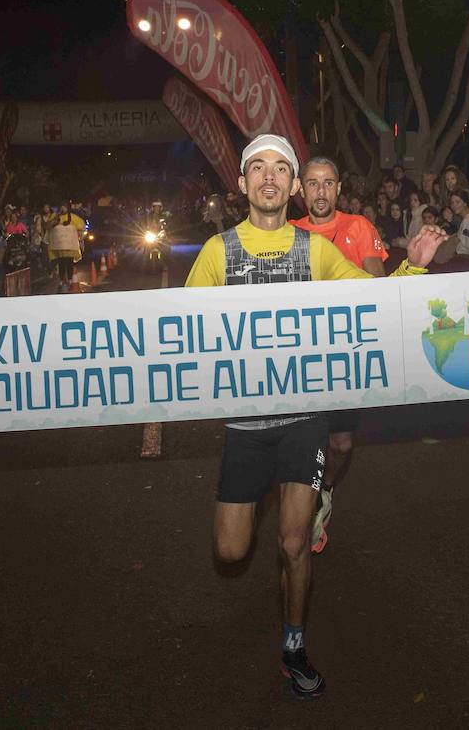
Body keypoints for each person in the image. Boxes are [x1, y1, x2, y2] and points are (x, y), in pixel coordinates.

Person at [188, 133, 445, 700]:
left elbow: (373, 300)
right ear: (243, 184)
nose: (270, 176)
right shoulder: (216, 252)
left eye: (281, 168)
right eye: (259, 168)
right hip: (246, 424)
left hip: (305, 417)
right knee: (231, 551)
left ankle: (294, 645)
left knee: (294, 543)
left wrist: (414, 267)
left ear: (294, 188)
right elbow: (178, 329)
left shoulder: (315, 251)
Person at [289, 156, 389, 555]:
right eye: (313, 183)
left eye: (328, 183)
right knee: (301, 440)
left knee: (342, 444)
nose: (321, 191)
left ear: (338, 189)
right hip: (301, 354)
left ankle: (325, 488)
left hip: (346, 355)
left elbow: (377, 285)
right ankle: (306, 504)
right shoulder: (288, 232)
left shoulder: (358, 226)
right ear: (301, 190)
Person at [46, 207, 82, 292]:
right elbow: (48, 226)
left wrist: (80, 238)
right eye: (61, 207)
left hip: (69, 246)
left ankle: (70, 279)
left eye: (65, 207)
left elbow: (80, 227)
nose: (63, 208)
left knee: (69, 262)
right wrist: (55, 221)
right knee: (61, 263)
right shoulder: (55, 216)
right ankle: (61, 280)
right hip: (59, 246)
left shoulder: (73, 217)